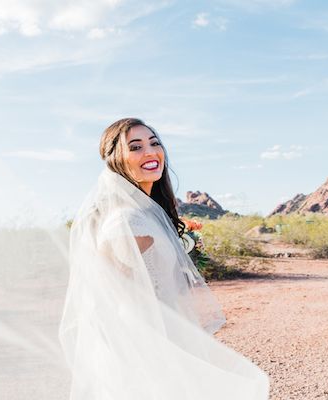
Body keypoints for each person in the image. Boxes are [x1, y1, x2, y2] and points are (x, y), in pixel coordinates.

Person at [58, 118, 270, 399]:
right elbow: (111, 297)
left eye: (154, 143)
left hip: (164, 336)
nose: (150, 152)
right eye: (135, 147)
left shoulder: (146, 214)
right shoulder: (127, 222)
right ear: (115, 161)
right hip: (143, 345)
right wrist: (153, 354)